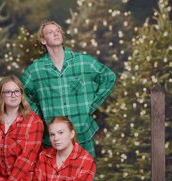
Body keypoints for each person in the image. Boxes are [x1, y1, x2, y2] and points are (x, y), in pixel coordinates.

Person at [20, 20, 116, 159]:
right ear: (43, 40)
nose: (56, 33)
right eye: (50, 32)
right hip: (54, 137)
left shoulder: (83, 61)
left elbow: (109, 77)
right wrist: (38, 114)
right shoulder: (35, 70)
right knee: (56, 178)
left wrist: (92, 104)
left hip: (81, 130)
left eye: (57, 31)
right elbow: (19, 92)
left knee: (86, 178)